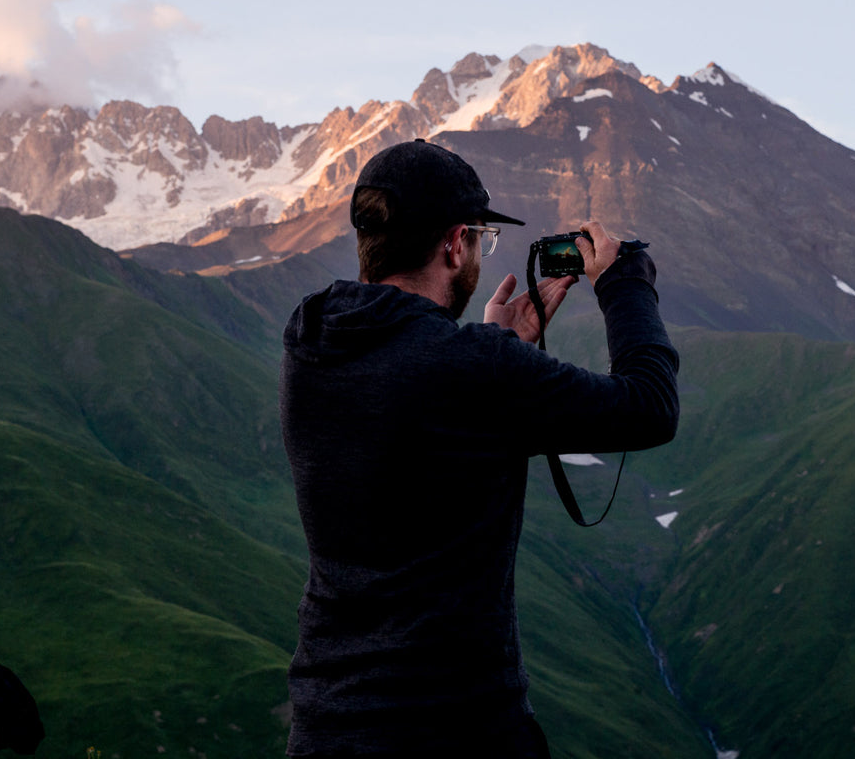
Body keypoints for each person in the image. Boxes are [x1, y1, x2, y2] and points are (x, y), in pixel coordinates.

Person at [279, 139, 680, 757]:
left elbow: (414, 401)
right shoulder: (473, 369)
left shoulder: (311, 342)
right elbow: (649, 407)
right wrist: (625, 285)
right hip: (457, 729)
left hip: (328, 728)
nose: (479, 257)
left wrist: (493, 346)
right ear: (453, 242)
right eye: (481, 242)